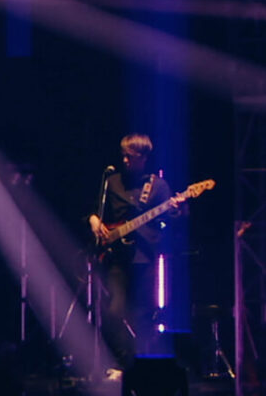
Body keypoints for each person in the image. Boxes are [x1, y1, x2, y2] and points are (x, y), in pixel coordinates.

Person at [87, 134, 185, 371]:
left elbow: (171, 222)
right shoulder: (112, 181)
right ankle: (122, 361)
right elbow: (94, 210)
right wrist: (94, 220)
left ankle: (138, 365)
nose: (125, 160)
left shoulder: (158, 186)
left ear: (143, 157)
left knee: (143, 314)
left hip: (144, 258)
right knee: (114, 311)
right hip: (116, 258)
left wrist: (177, 209)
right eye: (124, 155)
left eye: (130, 156)